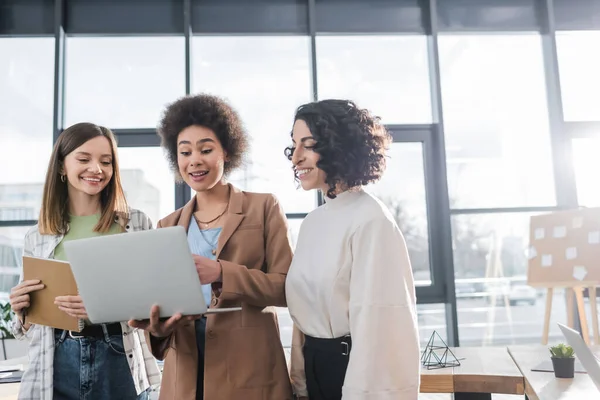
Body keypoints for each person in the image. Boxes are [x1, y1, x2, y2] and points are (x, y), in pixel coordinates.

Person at [129, 94, 294, 400]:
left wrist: (221, 272)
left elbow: (287, 288)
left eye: (206, 149)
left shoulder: (263, 207)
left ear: (226, 152)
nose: (195, 160)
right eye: (185, 152)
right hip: (186, 372)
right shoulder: (167, 226)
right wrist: (158, 329)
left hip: (249, 368)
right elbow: (163, 307)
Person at [8, 123, 160, 400]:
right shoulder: (38, 234)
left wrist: (102, 305)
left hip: (118, 355)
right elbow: (27, 328)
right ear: (62, 167)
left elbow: (156, 299)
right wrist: (22, 312)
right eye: (83, 159)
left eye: (106, 161)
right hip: (55, 359)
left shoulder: (135, 223)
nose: (97, 169)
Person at [284, 99, 421, 400]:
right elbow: (303, 318)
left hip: (351, 373)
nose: (296, 157)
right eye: (294, 145)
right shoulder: (311, 223)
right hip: (315, 369)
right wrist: (300, 384)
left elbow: (379, 324)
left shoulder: (371, 220)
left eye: (308, 145)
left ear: (338, 147)